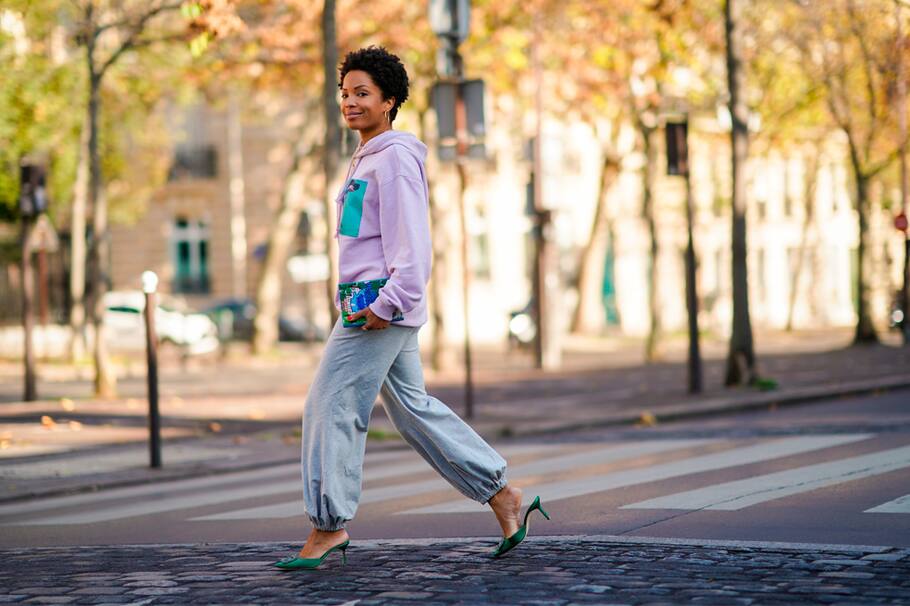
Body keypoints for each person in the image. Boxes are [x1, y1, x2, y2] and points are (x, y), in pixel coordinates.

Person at [274, 46, 549, 570]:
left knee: (329, 405)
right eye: (346, 94)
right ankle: (504, 496)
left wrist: (390, 303)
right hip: (368, 301)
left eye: (363, 94)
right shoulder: (368, 153)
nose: (351, 102)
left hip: (378, 306)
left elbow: (411, 243)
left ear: (390, 100)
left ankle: (327, 525)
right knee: (413, 412)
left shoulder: (395, 156)